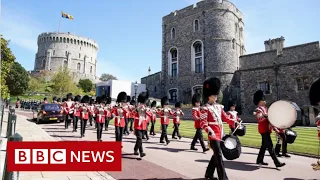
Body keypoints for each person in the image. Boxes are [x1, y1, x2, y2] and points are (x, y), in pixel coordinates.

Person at [200, 77, 237, 180]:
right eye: (213, 95)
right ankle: (223, 178)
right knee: (219, 156)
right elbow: (203, 123)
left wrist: (234, 121)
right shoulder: (205, 108)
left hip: (221, 134)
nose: (215, 97)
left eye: (216, 95)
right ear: (209, 95)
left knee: (216, 155)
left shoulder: (219, 107)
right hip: (213, 135)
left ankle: (209, 174)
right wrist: (209, 131)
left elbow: (225, 117)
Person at [253, 90, 285, 168]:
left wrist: (275, 129)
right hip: (263, 129)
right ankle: (277, 162)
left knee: (264, 145)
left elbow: (270, 120)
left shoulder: (265, 109)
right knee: (270, 146)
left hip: (267, 129)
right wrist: (266, 115)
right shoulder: (258, 109)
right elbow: (260, 119)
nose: (264, 101)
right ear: (260, 101)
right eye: (263, 99)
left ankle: (259, 160)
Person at [133, 91, 151, 158]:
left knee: (139, 139)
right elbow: (132, 114)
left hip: (143, 125)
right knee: (140, 139)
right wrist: (137, 109)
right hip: (138, 124)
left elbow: (150, 115)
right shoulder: (138, 107)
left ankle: (137, 150)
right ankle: (140, 151)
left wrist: (146, 110)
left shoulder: (146, 107)